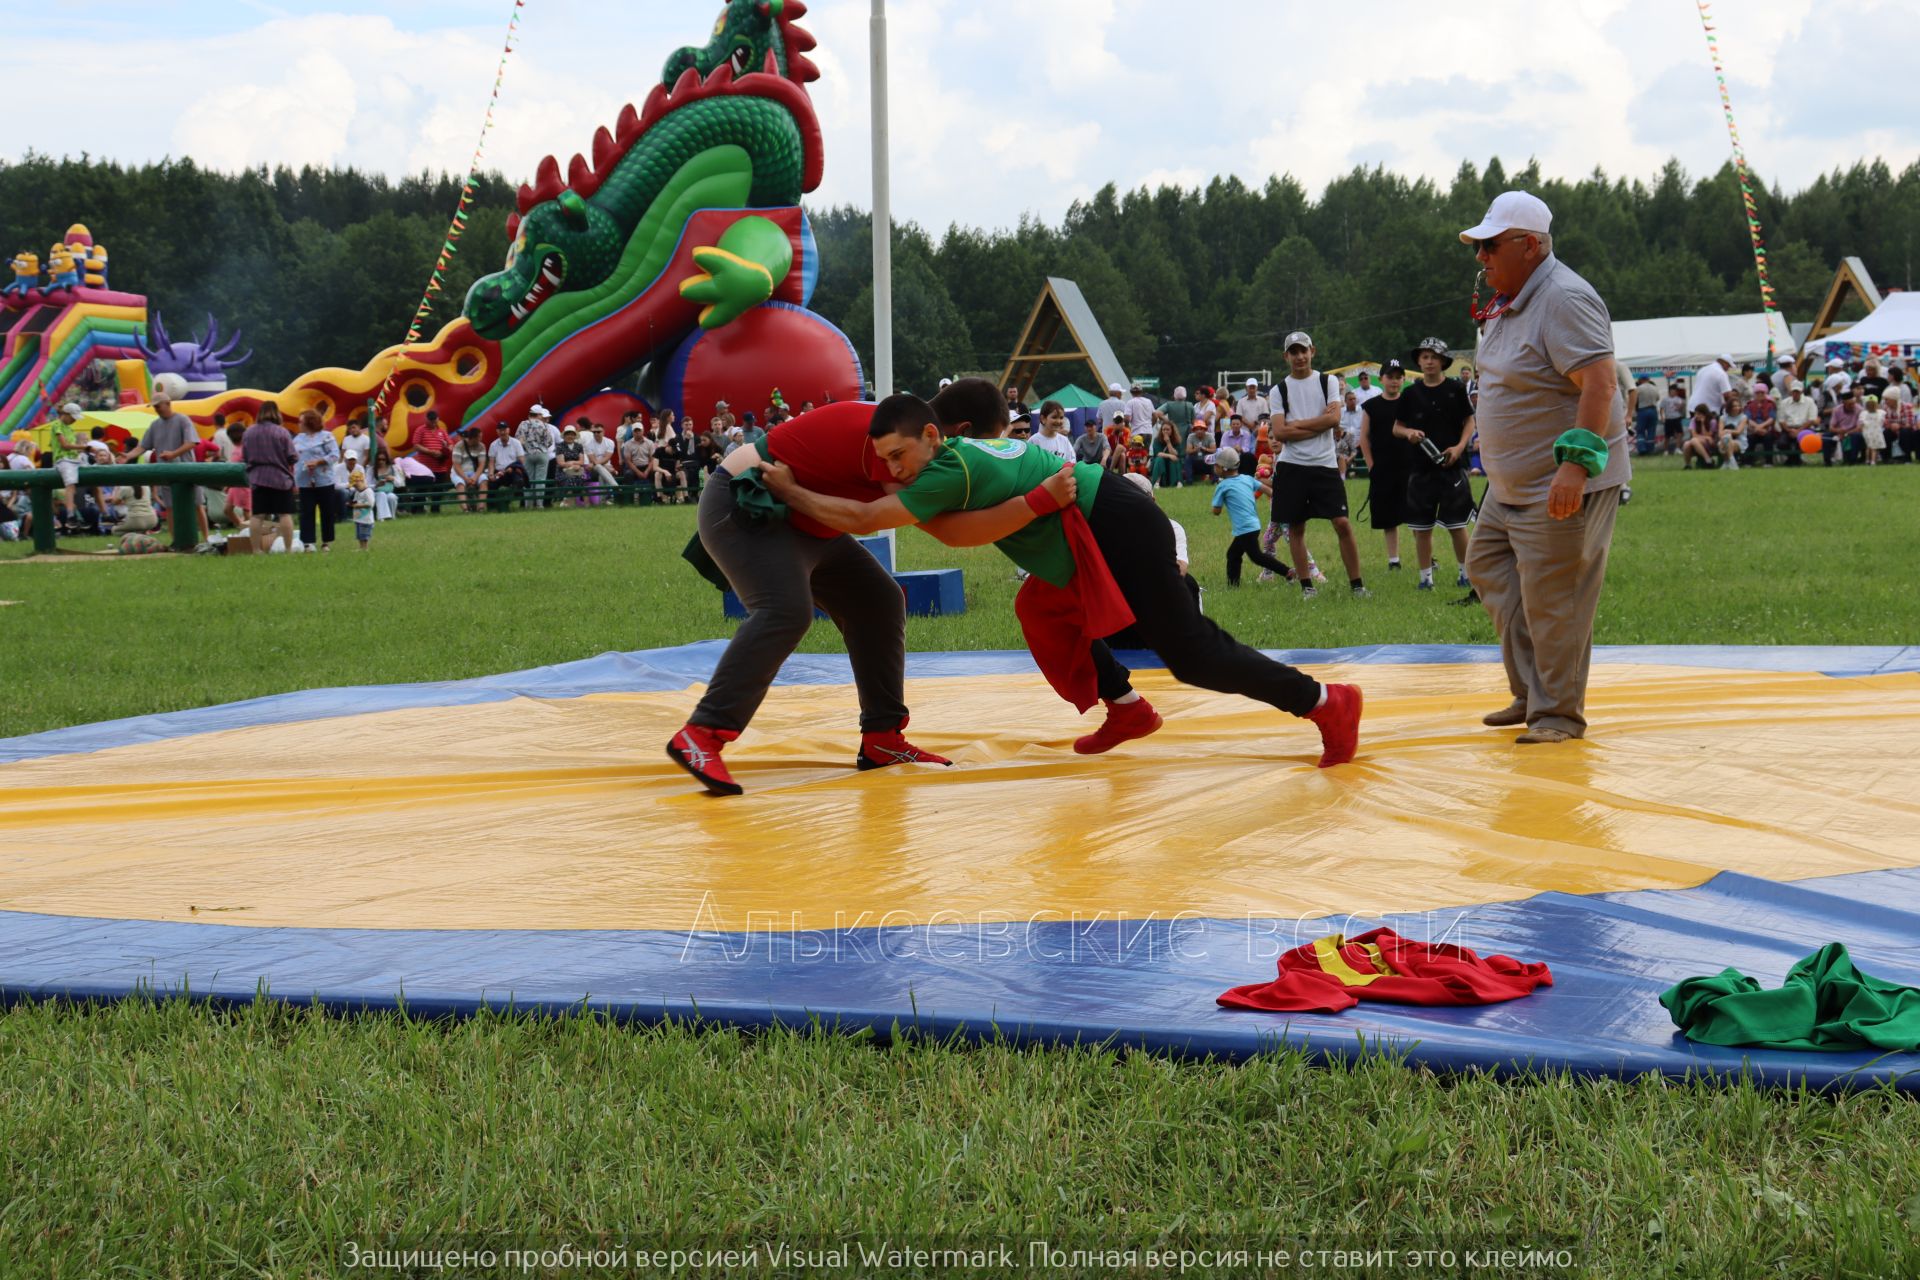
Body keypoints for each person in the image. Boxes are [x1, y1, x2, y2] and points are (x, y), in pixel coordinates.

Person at [763, 389, 1364, 766]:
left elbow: (869, 517)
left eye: (898, 458)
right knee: (1041, 609)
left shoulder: (947, 470)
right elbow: (952, 530)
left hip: (1114, 526)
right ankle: (1126, 706)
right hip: (1100, 521)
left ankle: (1324, 702)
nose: (893, 472)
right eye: (885, 462)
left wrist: (794, 491)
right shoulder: (964, 457)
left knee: (1191, 654)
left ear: (934, 436)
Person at [665, 400, 1000, 795]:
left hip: (805, 519)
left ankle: (882, 738)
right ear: (948, 432)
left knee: (878, 600)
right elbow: (936, 529)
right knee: (784, 611)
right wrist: (1035, 505)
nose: (973, 463)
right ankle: (703, 732)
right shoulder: (891, 440)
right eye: (983, 449)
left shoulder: (904, 434)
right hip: (750, 504)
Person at [1459, 189, 1630, 744]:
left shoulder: (1563, 297)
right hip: (1513, 484)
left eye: (1490, 245)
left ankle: (1557, 714)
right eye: (1478, 247)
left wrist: (1576, 466)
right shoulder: (1513, 300)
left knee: (1555, 597)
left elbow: (1600, 382)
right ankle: (1533, 692)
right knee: (1487, 567)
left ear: (1529, 245)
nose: (1481, 258)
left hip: (1558, 483)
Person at [1269, 332, 1367, 598]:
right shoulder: (1279, 390)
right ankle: (1307, 587)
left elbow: (1334, 420)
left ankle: (1357, 586)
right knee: (1297, 527)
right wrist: (1317, 423)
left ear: (1313, 351)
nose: (1300, 357)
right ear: (1286, 356)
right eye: (1294, 352)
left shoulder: (1328, 382)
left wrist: (1297, 424)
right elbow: (1279, 433)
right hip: (1292, 467)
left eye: (1304, 351)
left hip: (1325, 465)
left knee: (1342, 523)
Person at [1394, 338, 1477, 590]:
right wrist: (1409, 434)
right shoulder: (1410, 393)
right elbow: (1397, 427)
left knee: (1457, 524)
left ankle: (1466, 574)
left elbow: (1469, 422)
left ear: (1443, 361)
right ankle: (1425, 579)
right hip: (1420, 467)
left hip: (1452, 465)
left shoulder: (1455, 389)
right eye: (1425, 357)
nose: (1429, 361)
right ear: (1419, 361)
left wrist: (1460, 447)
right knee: (1422, 528)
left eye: (1434, 357)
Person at [129, 389, 209, 544]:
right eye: (154, 406)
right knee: (170, 508)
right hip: (166, 473)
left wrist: (173, 454)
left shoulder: (183, 420)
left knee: (197, 505)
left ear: (168, 404)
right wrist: (128, 455)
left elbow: (191, 442)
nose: (156, 409)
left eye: (158, 406)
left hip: (187, 470)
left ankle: (207, 538)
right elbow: (143, 446)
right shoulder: (154, 425)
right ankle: (175, 541)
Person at [1210, 445, 1294, 587]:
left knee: (1256, 557)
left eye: (1216, 465)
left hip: (1245, 528)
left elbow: (1216, 511)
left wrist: (1220, 503)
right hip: (1254, 525)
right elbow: (1269, 490)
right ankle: (1233, 586)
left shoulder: (1223, 486)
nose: (1214, 468)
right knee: (1233, 554)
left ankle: (1287, 571)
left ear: (1223, 468)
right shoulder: (1247, 479)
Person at [1359, 358, 1412, 571]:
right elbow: (1364, 438)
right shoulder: (1371, 406)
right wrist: (1371, 466)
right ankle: (1394, 560)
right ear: (1381, 379)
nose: (1394, 381)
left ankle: (1428, 557)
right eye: (1390, 376)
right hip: (1382, 468)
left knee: (1417, 514)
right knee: (1388, 517)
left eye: (1399, 377)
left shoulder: (1409, 403)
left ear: (1404, 379)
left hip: (1409, 466)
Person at [241, 401, 297, 554]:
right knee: (284, 514)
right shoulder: (282, 432)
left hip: (257, 478)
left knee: (257, 515)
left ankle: (256, 549)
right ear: (276, 413)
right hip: (280, 479)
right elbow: (292, 456)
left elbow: (244, 457)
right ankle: (288, 549)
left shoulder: (249, 432)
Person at [293, 409, 341, 550]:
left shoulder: (326, 437)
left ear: (309, 422)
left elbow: (334, 455)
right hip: (304, 482)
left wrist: (318, 462)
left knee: (327, 511)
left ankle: (327, 542)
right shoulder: (297, 439)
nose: (299, 424)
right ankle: (307, 543)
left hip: (324, 480)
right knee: (306, 512)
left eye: (301, 421)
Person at [408, 410, 454, 514]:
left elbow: (451, 444)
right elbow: (416, 445)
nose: (433, 423)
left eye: (435, 421)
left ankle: (435, 510)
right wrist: (430, 452)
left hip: (440, 467)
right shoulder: (420, 430)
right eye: (431, 421)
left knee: (437, 491)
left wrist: (445, 449)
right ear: (427, 419)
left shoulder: (442, 431)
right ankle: (417, 510)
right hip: (424, 468)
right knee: (421, 490)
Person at [516, 405, 557, 507]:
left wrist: (527, 447)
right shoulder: (544, 425)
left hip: (528, 455)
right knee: (540, 480)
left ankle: (528, 505)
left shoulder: (523, 424)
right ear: (539, 414)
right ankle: (539, 505)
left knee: (528, 481)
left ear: (530, 413)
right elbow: (549, 441)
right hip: (542, 454)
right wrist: (541, 447)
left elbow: (518, 440)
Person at [450, 426, 490, 512]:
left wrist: (475, 477)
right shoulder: (459, 446)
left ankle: (481, 508)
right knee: (460, 484)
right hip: (459, 472)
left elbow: (481, 464)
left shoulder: (481, 446)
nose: (481, 439)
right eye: (479, 437)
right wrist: (465, 478)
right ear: (474, 438)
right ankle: (465, 509)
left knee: (484, 481)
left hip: (474, 472)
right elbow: (456, 465)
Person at [486, 420, 529, 499]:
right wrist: (491, 474)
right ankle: (491, 506)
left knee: (519, 480)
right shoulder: (493, 445)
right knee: (491, 484)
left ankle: (518, 502)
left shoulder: (516, 443)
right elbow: (491, 462)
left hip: (512, 471)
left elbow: (521, 460)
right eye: (500, 430)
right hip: (499, 472)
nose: (502, 432)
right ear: (497, 431)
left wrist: (512, 468)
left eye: (504, 430)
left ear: (508, 430)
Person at [1030, 400, 1077, 466]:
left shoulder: (1064, 441)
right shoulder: (1034, 441)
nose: (1058, 421)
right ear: (1043, 419)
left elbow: (1072, 462)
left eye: (1061, 418)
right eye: (1054, 417)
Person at [1689, 354, 1734, 419]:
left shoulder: (1703, 369)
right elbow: (1727, 395)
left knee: (1696, 428)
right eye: (1728, 366)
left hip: (1693, 407)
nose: (1728, 369)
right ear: (1724, 363)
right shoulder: (1721, 373)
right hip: (1708, 409)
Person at [554, 425, 590, 503]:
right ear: (564, 436)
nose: (570, 436)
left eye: (572, 434)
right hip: (562, 471)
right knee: (570, 479)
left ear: (575, 436)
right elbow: (561, 463)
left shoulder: (579, 446)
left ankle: (583, 503)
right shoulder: (560, 446)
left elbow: (581, 461)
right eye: (568, 434)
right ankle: (567, 501)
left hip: (577, 469)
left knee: (582, 478)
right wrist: (573, 465)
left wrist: (572, 463)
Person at [1336, 388, 1363, 480]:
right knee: (1342, 449)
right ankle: (1343, 475)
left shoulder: (1362, 412)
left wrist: (1360, 441)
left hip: (1359, 441)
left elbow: (1365, 429)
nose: (1353, 401)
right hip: (1344, 441)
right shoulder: (1340, 412)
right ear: (1345, 401)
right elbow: (1337, 428)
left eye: (1354, 399)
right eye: (1350, 399)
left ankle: (1348, 467)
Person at [1681, 403, 1719, 469]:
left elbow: (1709, 435)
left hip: (1709, 443)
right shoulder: (1693, 421)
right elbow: (1694, 435)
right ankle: (1688, 464)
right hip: (1698, 442)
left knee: (1694, 440)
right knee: (1686, 444)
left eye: (1699, 414)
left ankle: (1708, 460)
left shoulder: (1712, 421)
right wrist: (1706, 437)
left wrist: (1702, 424)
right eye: (1695, 414)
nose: (1696, 416)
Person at [1149, 421, 1183, 488]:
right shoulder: (1157, 440)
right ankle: (1157, 482)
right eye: (1163, 429)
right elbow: (1158, 454)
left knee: (1175, 460)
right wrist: (1170, 456)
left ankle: (1178, 482)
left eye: (1168, 429)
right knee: (1159, 459)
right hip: (1159, 461)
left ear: (1172, 430)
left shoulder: (1176, 440)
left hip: (1171, 462)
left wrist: (1168, 442)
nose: (1165, 431)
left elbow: (1176, 454)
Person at [349, 469, 376, 550]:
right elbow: (355, 501)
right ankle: (361, 547)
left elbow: (371, 504)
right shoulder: (357, 492)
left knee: (364, 534)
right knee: (359, 534)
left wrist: (358, 506)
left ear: (361, 481)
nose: (355, 487)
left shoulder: (368, 491)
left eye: (355, 485)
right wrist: (351, 503)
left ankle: (365, 548)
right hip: (359, 518)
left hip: (366, 519)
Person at [1859, 393, 1887, 466]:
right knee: (1875, 448)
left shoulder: (1863, 413)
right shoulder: (1881, 413)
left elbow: (1861, 423)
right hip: (1876, 432)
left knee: (1868, 447)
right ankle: (1873, 461)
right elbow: (1883, 421)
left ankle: (1867, 460)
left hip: (1867, 432)